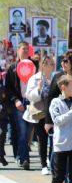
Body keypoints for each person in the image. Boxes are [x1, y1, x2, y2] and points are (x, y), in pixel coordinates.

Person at [5, 41, 38, 170]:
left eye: (27, 49)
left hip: (31, 102)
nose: (25, 51)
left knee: (28, 131)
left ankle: (19, 155)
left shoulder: (34, 66)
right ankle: (25, 159)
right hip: (18, 103)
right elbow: (8, 88)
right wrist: (15, 100)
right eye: (23, 49)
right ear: (18, 51)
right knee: (22, 131)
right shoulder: (12, 68)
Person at [24, 55, 55, 175]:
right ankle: (43, 165)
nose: (53, 66)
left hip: (52, 113)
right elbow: (29, 96)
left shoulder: (54, 78)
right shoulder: (35, 79)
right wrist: (38, 89)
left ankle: (50, 160)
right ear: (44, 65)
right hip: (40, 113)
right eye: (50, 63)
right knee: (42, 140)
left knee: (53, 140)